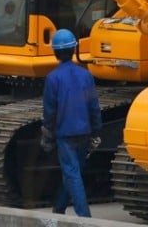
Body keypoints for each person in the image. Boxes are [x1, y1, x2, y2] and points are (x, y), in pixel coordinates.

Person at [39, 28, 102, 217]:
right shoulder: (86, 75)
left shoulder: (53, 78)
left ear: (55, 52)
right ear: (74, 49)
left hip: (65, 134)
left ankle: (85, 219)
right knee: (74, 172)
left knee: (72, 174)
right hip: (84, 131)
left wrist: (47, 134)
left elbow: (50, 111)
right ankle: (59, 208)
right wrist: (96, 131)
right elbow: (94, 106)